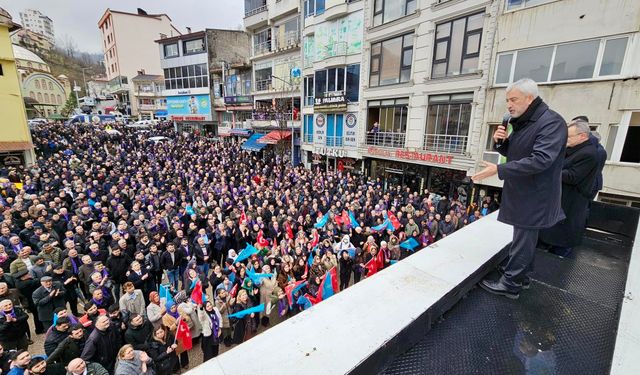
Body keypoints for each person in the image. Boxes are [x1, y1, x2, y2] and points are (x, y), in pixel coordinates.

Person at [473, 78, 567, 299]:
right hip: (525, 191)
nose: (509, 105)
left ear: (529, 98)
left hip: (536, 195)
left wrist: (499, 169)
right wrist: (500, 143)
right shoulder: (525, 122)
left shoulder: (551, 123)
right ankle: (521, 276)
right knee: (523, 238)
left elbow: (541, 160)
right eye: (507, 100)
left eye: (513, 99)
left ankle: (510, 284)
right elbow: (517, 151)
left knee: (523, 238)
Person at [539, 120, 600, 256]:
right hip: (561, 202)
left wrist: (549, 171)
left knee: (561, 243)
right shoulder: (575, 149)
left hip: (570, 204)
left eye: (569, 136)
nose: (566, 139)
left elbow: (573, 176)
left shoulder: (588, 154)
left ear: (582, 136)